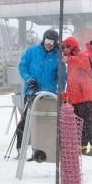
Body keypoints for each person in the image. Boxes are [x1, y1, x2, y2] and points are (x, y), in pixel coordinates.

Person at [16, 29, 61, 161]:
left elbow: (61, 76)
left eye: (52, 43)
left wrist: (61, 91)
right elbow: (22, 67)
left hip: (49, 95)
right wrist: (28, 79)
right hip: (31, 92)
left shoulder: (58, 55)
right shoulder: (32, 51)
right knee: (26, 122)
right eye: (47, 42)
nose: (49, 45)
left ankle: (41, 151)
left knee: (45, 124)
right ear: (43, 40)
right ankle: (21, 149)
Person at [61, 37, 92, 156]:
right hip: (76, 98)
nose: (63, 50)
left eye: (65, 48)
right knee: (79, 124)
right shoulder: (73, 60)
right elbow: (71, 81)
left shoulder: (82, 56)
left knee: (88, 123)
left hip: (85, 97)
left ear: (71, 47)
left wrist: (67, 59)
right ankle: (82, 146)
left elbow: (78, 61)